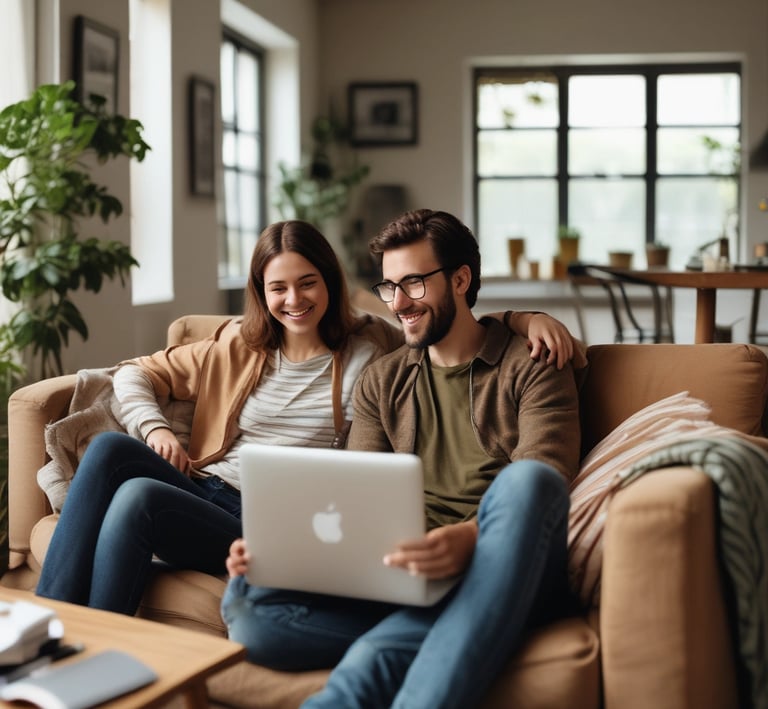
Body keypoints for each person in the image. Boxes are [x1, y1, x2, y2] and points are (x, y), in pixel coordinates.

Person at [36, 219, 576, 616]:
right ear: (261, 293)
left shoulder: (373, 345)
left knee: (138, 498)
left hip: (270, 517)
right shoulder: (237, 344)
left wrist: (521, 319)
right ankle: (48, 630)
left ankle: (95, 646)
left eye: (308, 282)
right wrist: (155, 429)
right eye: (278, 287)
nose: (293, 299)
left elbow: (438, 324)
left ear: (330, 282)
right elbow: (133, 373)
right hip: (206, 489)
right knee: (109, 451)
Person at [221, 209, 581, 709]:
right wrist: (280, 551)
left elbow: (548, 477)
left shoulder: (534, 363)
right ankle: (439, 631)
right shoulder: (383, 379)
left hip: (501, 563)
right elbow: (355, 496)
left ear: (460, 280)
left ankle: (418, 632)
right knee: (250, 610)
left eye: (413, 283)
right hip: (407, 573)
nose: (399, 304)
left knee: (528, 483)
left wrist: (470, 539)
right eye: (390, 287)